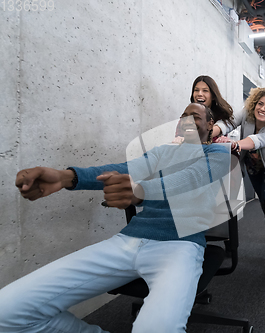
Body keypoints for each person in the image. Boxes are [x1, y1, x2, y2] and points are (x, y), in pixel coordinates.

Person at [0, 103, 229, 333]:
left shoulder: (219, 154)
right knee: (7, 312)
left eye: (195, 116)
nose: (188, 120)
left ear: (210, 124)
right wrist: (66, 177)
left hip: (181, 245)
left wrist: (139, 191)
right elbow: (123, 169)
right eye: (184, 116)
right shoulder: (162, 152)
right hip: (128, 241)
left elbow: (190, 179)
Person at [211, 87, 265, 266]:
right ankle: (230, 244)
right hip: (251, 166)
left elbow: (258, 140)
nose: (262, 109)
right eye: (260, 104)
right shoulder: (247, 113)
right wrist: (211, 132)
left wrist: (235, 144)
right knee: (228, 199)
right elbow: (228, 123)